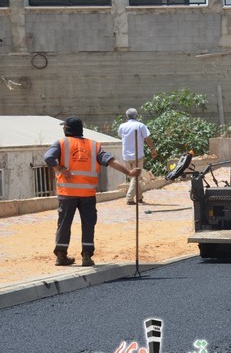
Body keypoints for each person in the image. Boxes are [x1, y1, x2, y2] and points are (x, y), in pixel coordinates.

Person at [44, 116, 141, 266]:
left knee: (64, 223)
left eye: (64, 127)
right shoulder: (94, 145)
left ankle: (61, 256)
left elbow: (48, 157)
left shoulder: (61, 143)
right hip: (87, 194)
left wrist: (60, 168)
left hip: (67, 194)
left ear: (67, 129)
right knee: (88, 224)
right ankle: (87, 256)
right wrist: (129, 173)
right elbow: (111, 162)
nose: (63, 129)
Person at [117, 108, 157, 205]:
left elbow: (120, 136)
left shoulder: (122, 126)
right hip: (137, 155)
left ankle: (139, 197)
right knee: (136, 177)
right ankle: (129, 197)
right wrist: (153, 149)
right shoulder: (140, 125)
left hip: (126, 155)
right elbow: (147, 138)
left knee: (134, 177)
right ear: (137, 115)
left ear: (127, 116)